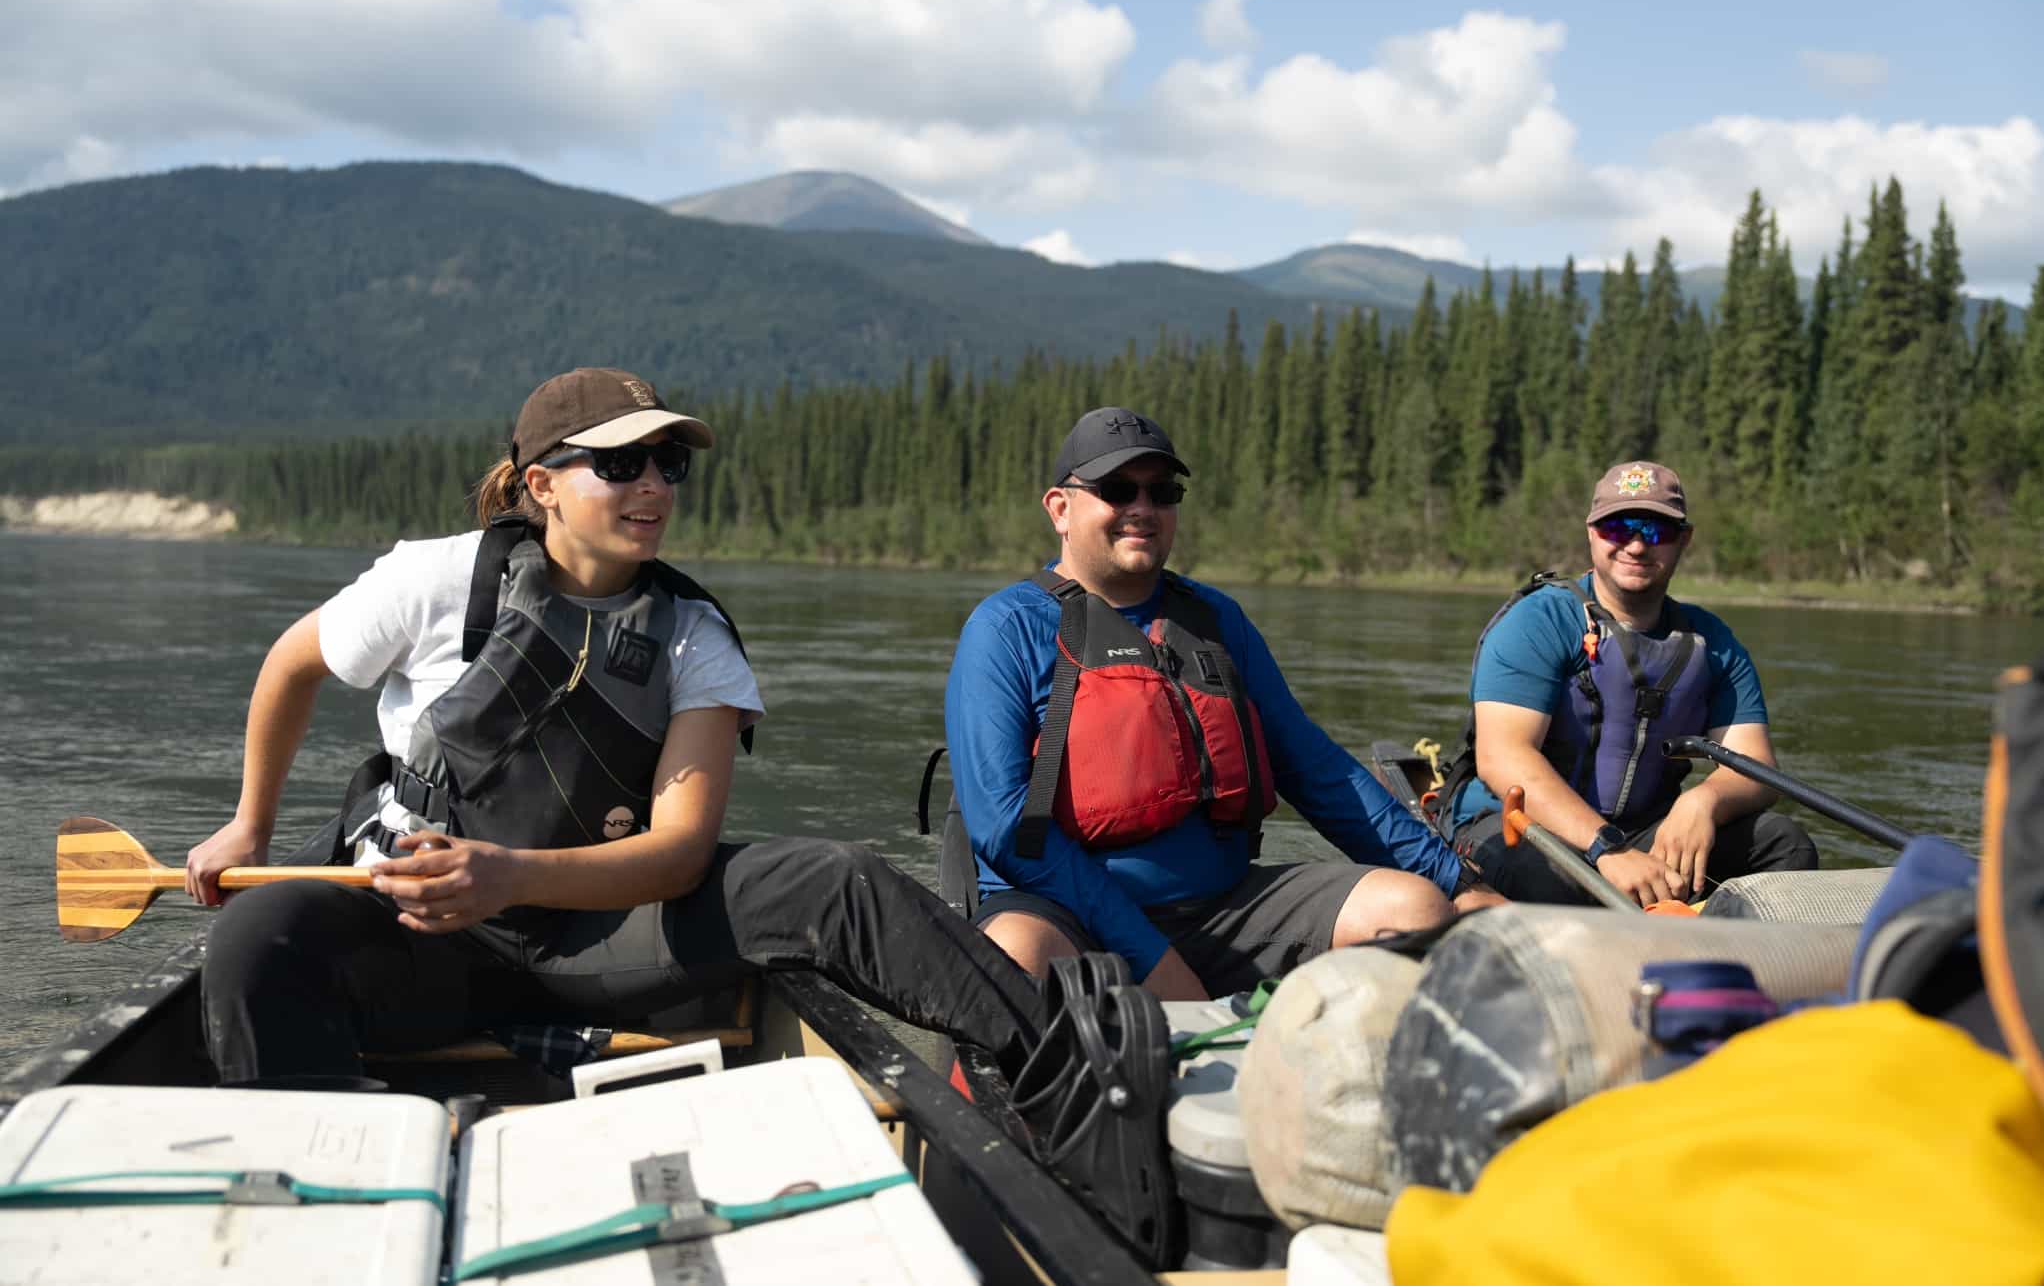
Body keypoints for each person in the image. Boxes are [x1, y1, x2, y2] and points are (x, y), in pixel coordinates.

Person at [188, 366, 1045, 1082]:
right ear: (542, 484)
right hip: (422, 942)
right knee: (257, 937)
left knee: (838, 880)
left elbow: (678, 853)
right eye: (621, 462)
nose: (653, 485)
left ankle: (1065, 1062)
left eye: (669, 463)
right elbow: (290, 665)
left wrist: (509, 873)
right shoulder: (435, 580)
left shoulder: (695, 636)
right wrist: (249, 824)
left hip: (594, 943)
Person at [943, 406, 1504, 1002]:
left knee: (1414, 909)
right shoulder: (1005, 628)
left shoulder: (1218, 622)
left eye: (1162, 491)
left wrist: (1456, 880)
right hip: (1067, 919)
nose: (1142, 508)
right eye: (1116, 489)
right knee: (1016, 954)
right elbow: (1005, 828)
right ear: (1059, 508)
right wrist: (1150, 956)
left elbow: (1316, 771)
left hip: (1225, 912)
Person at [1439, 459, 1818, 907]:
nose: (1636, 546)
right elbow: (1502, 757)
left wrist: (1704, 802)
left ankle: (1721, 953)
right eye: (1617, 529)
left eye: (1655, 530)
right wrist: (1606, 848)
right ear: (1592, 533)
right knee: (1561, 887)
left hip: (1640, 833)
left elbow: (1758, 768)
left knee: (1786, 844)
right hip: (1514, 823)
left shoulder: (1713, 643)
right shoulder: (1537, 621)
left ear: (1684, 540)